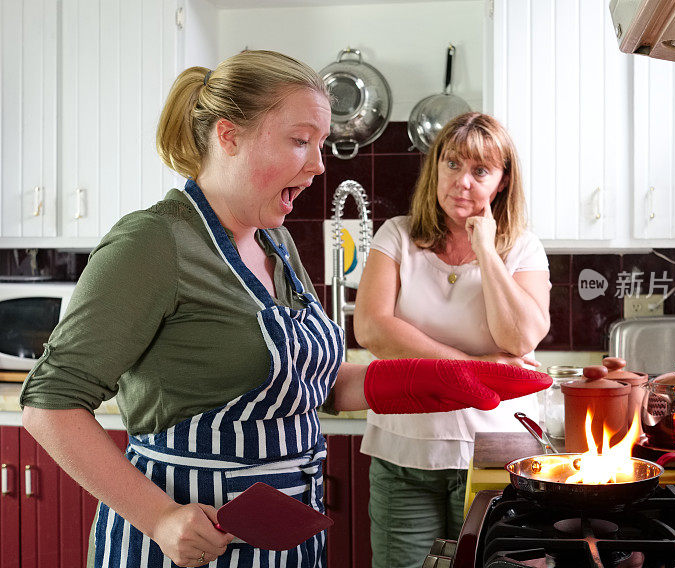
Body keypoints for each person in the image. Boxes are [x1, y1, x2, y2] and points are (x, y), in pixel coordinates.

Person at [18, 52, 552, 568]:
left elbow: (315, 382)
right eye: (301, 141)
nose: (319, 165)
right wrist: (159, 518)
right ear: (229, 135)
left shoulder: (276, 241)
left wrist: (441, 378)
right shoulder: (154, 243)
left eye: (319, 145)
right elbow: (49, 406)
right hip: (185, 549)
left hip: (283, 545)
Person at [353, 112, 552, 568]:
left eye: (480, 171)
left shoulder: (522, 247)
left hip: (498, 455)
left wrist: (486, 249)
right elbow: (372, 328)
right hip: (404, 451)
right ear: (435, 168)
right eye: (452, 165)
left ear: (501, 182)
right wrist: (470, 366)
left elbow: (520, 336)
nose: (462, 182)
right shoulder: (397, 235)